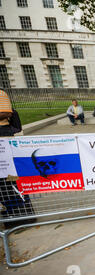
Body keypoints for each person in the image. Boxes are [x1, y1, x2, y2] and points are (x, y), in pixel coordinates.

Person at [0, 89, 36, 229]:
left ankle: (24, 216)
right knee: (5, 184)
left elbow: (9, 114)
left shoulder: (1, 94)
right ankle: (13, 217)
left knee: (11, 180)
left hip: (4, 137)